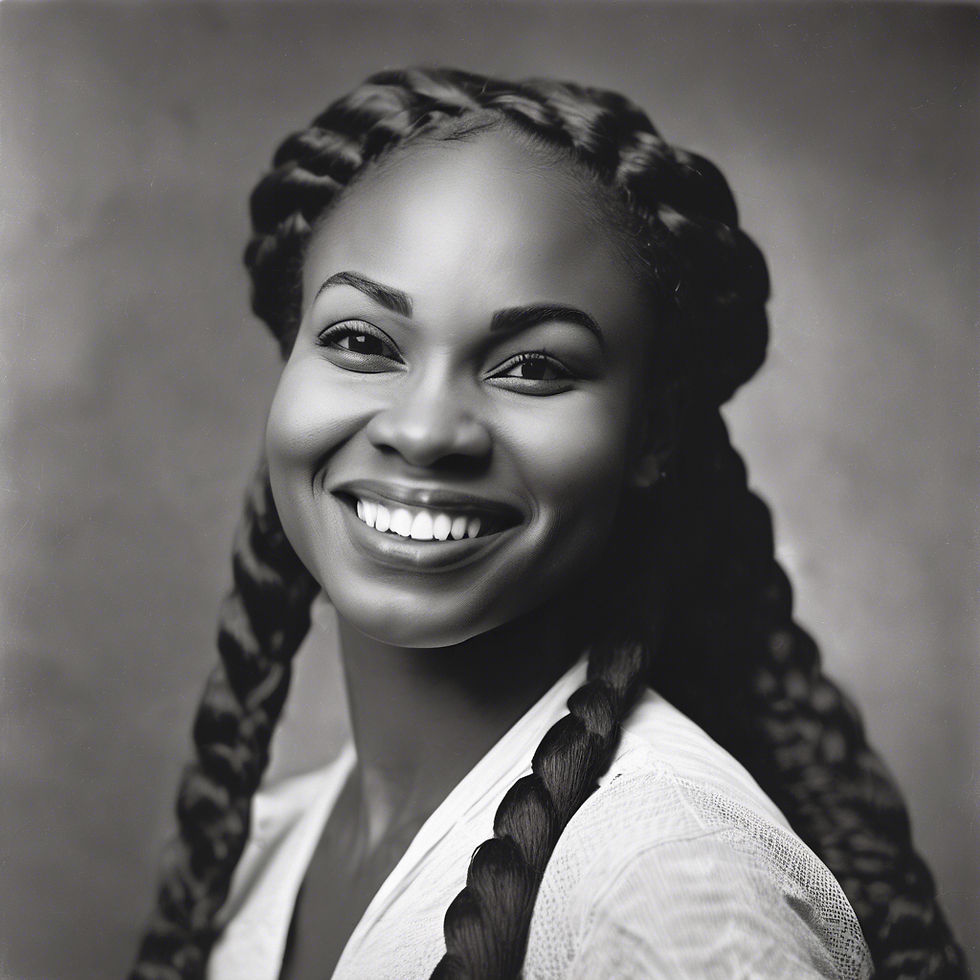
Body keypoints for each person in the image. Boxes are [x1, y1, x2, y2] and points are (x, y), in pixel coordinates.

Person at [129, 68, 967, 980]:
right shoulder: (268, 849)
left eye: (531, 366)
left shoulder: (674, 887)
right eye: (361, 341)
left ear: (654, 432)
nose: (424, 430)